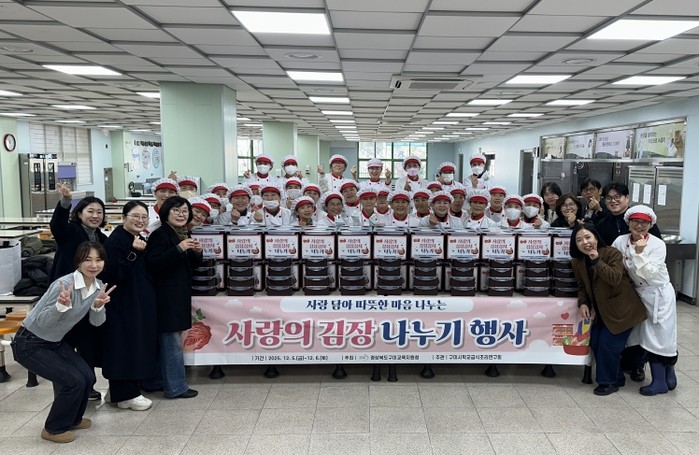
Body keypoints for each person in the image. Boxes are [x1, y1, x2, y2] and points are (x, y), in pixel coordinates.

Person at [12, 242, 115, 443]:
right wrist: (60, 305)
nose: (94, 265)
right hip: (30, 342)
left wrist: (97, 306)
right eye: (88, 260)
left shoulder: (98, 286)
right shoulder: (64, 284)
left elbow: (96, 323)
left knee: (87, 376)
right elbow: (41, 322)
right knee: (73, 381)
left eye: (99, 259)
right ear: (78, 262)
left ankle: (73, 419)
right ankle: (53, 429)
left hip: (54, 342)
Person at [595, 182, 662, 383]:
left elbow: (655, 257)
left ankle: (637, 365)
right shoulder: (603, 224)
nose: (613, 201)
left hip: (645, 285)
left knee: (641, 329)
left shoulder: (642, 221)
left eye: (617, 197)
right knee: (621, 330)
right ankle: (619, 365)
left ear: (627, 198)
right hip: (618, 286)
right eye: (609, 198)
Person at [570, 223, 647, 396]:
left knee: (607, 345)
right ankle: (617, 377)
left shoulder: (612, 253)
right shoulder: (577, 262)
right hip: (603, 311)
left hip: (623, 310)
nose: (585, 242)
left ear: (596, 238)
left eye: (588, 237)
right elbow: (581, 286)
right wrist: (583, 303)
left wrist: (597, 261)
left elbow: (614, 279)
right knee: (595, 341)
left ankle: (608, 382)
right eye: (579, 240)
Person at [611, 206, 678, 396]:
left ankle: (662, 380)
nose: (639, 226)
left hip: (659, 294)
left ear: (650, 225)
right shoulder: (620, 241)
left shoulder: (657, 245)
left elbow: (649, 273)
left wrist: (639, 253)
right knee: (642, 336)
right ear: (628, 222)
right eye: (635, 221)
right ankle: (665, 374)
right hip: (638, 294)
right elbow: (615, 264)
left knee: (661, 336)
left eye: (644, 223)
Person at [50, 184, 108, 401]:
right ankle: (65, 389)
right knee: (64, 342)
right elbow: (57, 226)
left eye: (99, 212)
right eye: (90, 211)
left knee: (87, 343)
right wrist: (65, 202)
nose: (95, 216)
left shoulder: (100, 237)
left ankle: (87, 386)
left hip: (88, 297)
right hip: (66, 294)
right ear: (80, 213)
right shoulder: (71, 231)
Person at [100, 202, 156, 411]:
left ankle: (119, 391)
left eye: (144, 217)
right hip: (122, 303)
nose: (140, 220)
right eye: (135, 216)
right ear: (124, 217)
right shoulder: (115, 241)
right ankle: (126, 395)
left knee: (134, 344)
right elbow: (113, 274)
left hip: (136, 301)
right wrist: (134, 252)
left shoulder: (137, 238)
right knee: (123, 345)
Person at [146, 196, 203, 399]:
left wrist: (197, 252)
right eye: (176, 211)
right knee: (171, 343)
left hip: (178, 294)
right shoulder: (160, 234)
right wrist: (179, 248)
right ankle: (176, 387)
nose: (181, 215)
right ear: (166, 213)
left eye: (185, 211)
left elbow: (189, 265)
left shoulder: (182, 233)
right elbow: (153, 263)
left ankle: (157, 381)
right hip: (166, 296)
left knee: (167, 341)